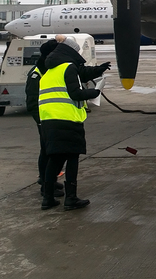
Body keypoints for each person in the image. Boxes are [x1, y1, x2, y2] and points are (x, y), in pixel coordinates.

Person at [39, 35, 110, 211]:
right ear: (70, 52)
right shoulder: (68, 67)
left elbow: (80, 74)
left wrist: (97, 70)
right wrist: (94, 93)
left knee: (54, 161)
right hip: (68, 120)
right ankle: (71, 198)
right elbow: (75, 93)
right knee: (72, 159)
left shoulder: (49, 71)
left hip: (49, 121)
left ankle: (47, 199)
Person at [25, 39, 63, 200]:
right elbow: (32, 101)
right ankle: (46, 184)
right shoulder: (37, 73)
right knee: (49, 152)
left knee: (56, 151)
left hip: (55, 116)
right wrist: (40, 121)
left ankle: (50, 180)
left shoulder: (51, 69)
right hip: (45, 119)